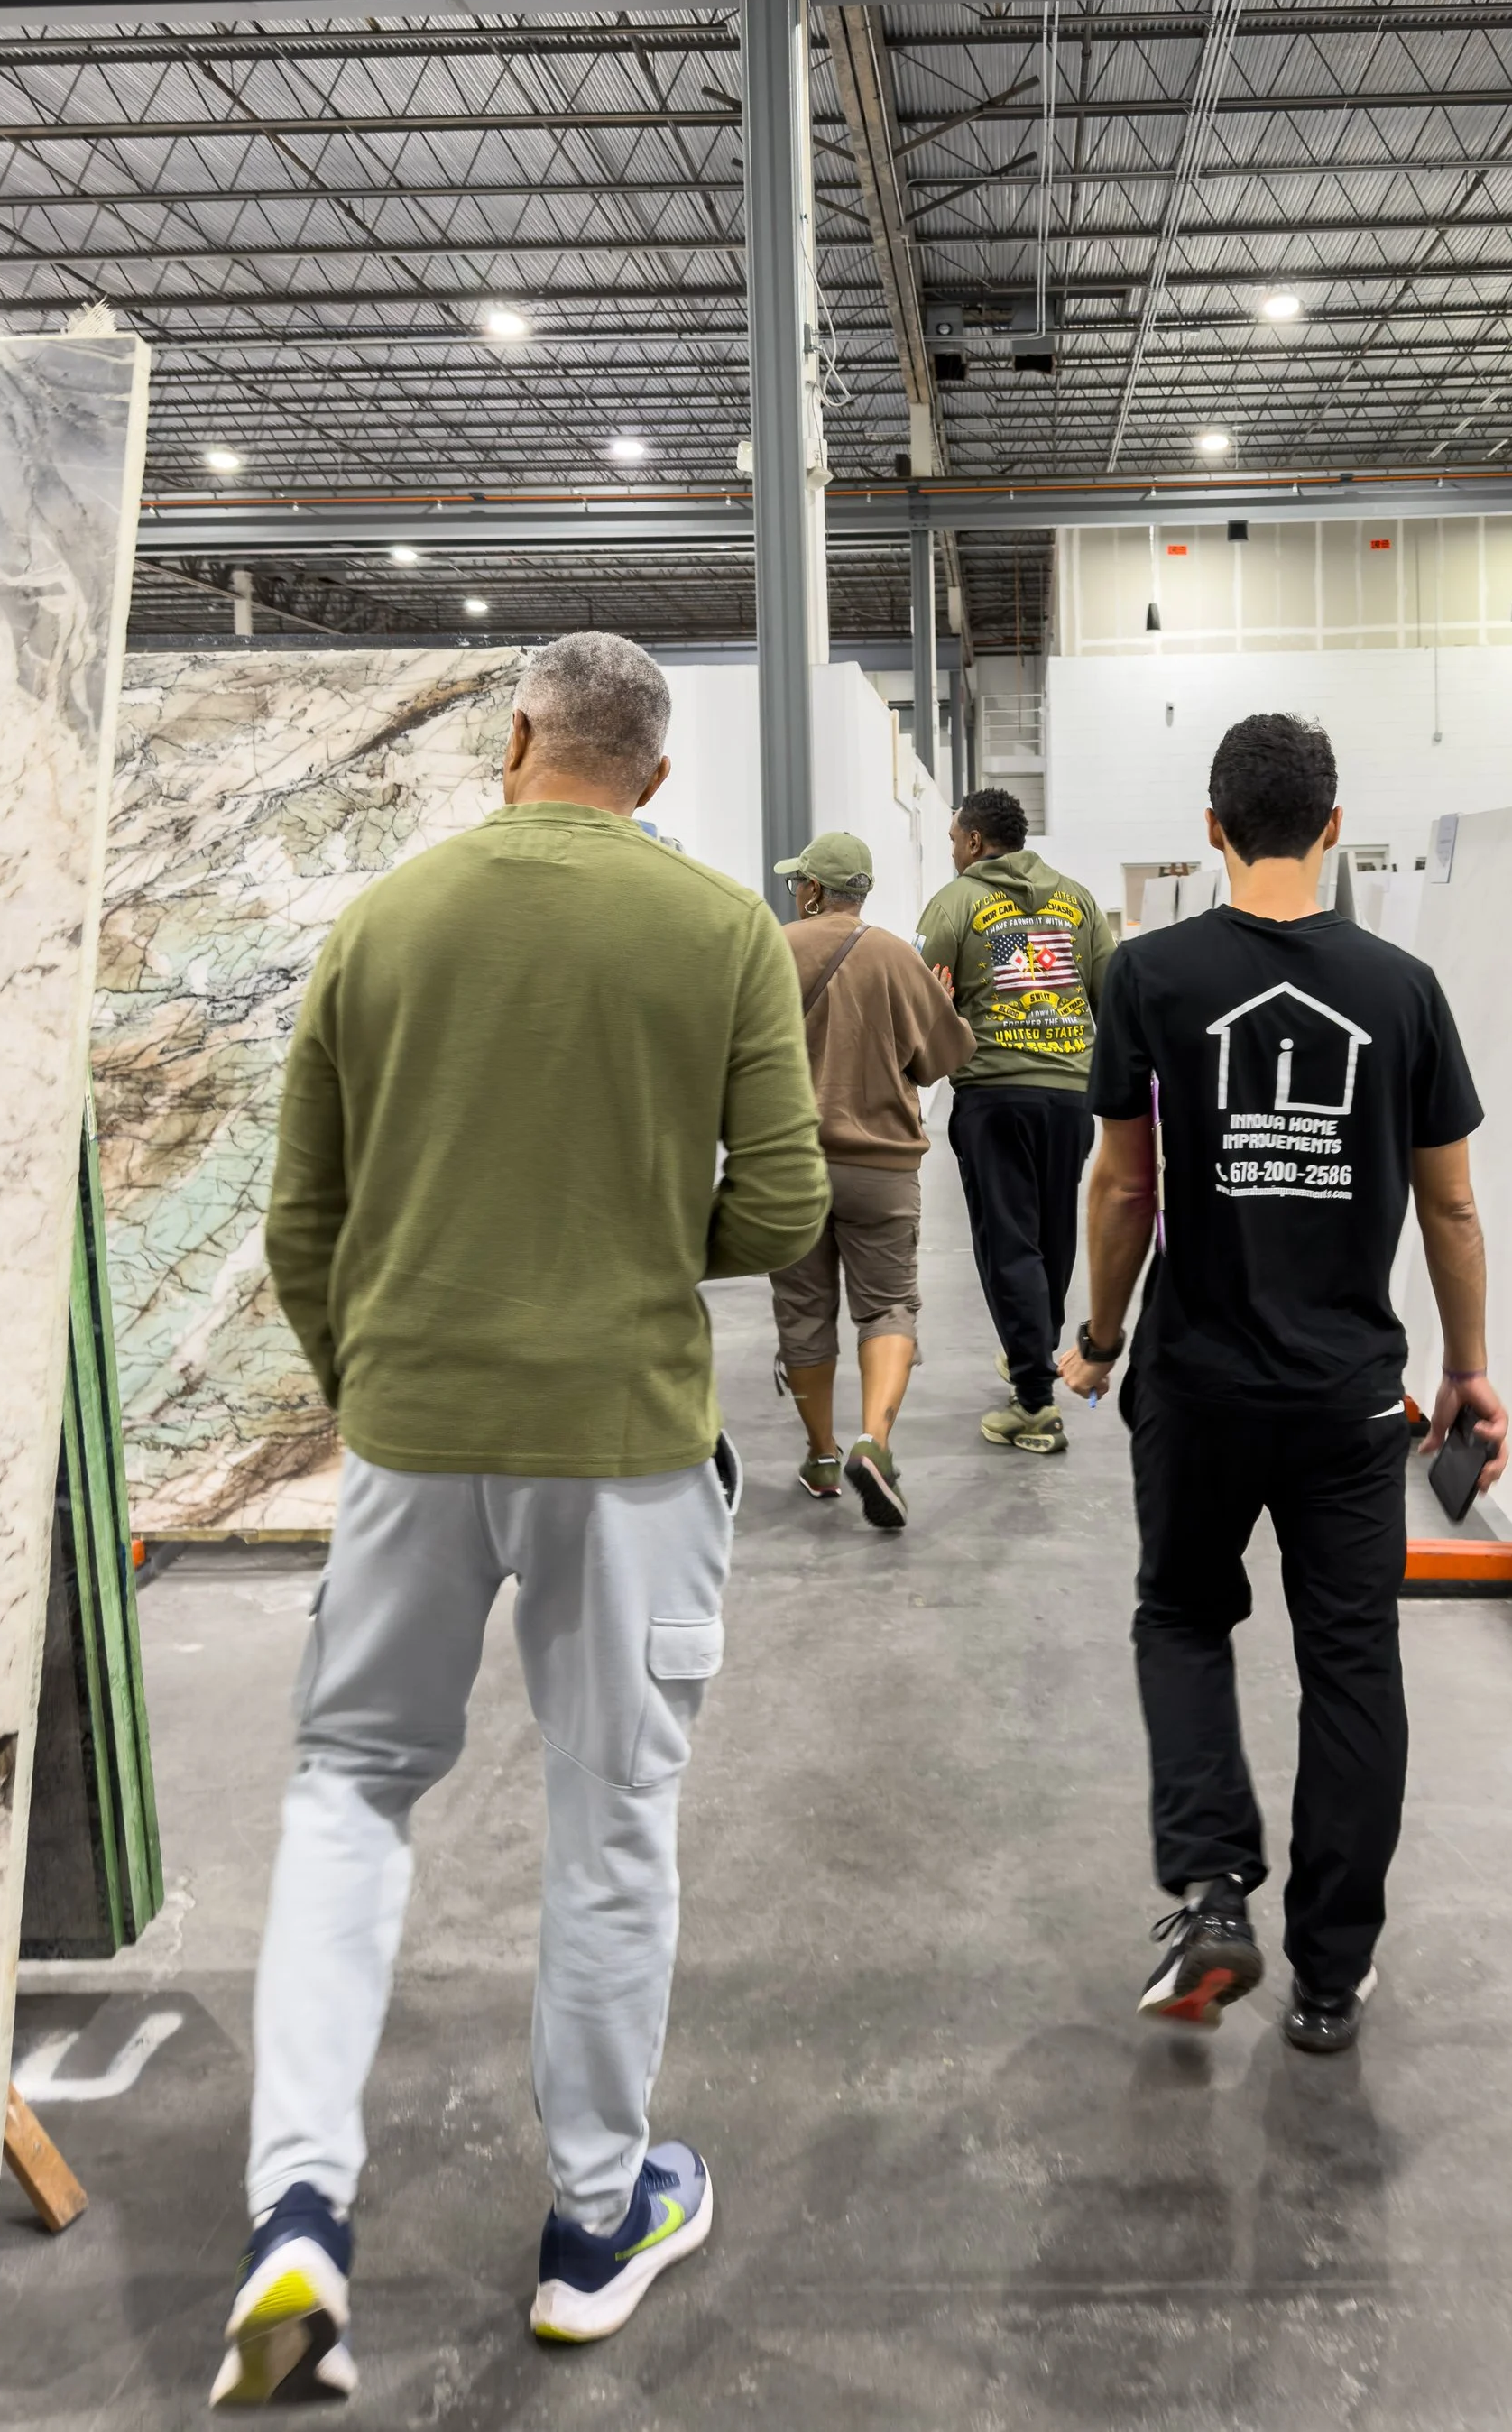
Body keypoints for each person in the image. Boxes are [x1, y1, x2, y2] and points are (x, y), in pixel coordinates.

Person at [217, 632, 828, 2409]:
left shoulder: (385, 921)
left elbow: (297, 1215)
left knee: (349, 1792)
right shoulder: (715, 928)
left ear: (512, 740)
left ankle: (296, 2215)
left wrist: (376, 1375)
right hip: (621, 1440)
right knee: (608, 1818)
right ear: (652, 774)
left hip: (412, 1428)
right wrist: (634, 1252)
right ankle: (587, 2224)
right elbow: (785, 1205)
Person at [1057, 713, 1507, 2057]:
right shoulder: (1402, 989)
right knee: (1353, 1662)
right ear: (1330, 825)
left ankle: (1209, 1893)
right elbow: (1455, 1212)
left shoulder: (1149, 975)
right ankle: (1330, 1972)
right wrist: (1469, 1374)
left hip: (1196, 1386)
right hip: (1348, 1402)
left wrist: (1097, 1334)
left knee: (1185, 1619)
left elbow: (1127, 1181)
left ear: (1211, 829)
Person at [769, 827, 975, 1529]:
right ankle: (873, 1441)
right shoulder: (896, 955)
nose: (796, 890)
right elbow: (943, 1056)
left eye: (800, 881)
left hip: (792, 1165)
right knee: (888, 1306)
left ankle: (822, 1457)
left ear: (815, 890)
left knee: (803, 1312)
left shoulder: (773, 950)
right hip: (881, 1166)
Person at [917, 787, 1115, 1456]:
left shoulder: (956, 902)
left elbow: (919, 991)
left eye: (952, 839)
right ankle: (1031, 1351)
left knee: (1008, 1243)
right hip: (1069, 1095)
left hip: (996, 1093)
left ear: (974, 841)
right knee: (1052, 1234)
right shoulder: (1079, 900)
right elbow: (1109, 995)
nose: (951, 850)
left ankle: (1034, 1404)